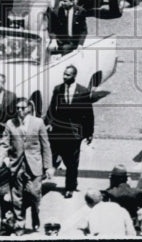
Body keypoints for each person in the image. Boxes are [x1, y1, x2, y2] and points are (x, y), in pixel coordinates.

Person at [45, 65, 94, 198]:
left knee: (72, 163)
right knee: (51, 156)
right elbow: (51, 108)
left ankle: (70, 187)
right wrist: (48, 123)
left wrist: (89, 133)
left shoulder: (83, 91)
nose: (65, 77)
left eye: (68, 75)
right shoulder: (58, 89)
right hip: (58, 131)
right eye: (64, 74)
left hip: (74, 134)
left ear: (74, 76)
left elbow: (88, 113)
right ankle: (45, 178)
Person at [5, 96, 52, 233]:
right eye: (18, 108)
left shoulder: (38, 123)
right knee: (17, 197)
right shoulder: (10, 123)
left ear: (29, 108)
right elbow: (4, 144)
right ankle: (20, 224)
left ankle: (35, 217)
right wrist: (0, 159)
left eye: (23, 108)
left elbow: (46, 146)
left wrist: (48, 166)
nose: (20, 110)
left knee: (34, 194)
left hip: (34, 165)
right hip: (17, 165)